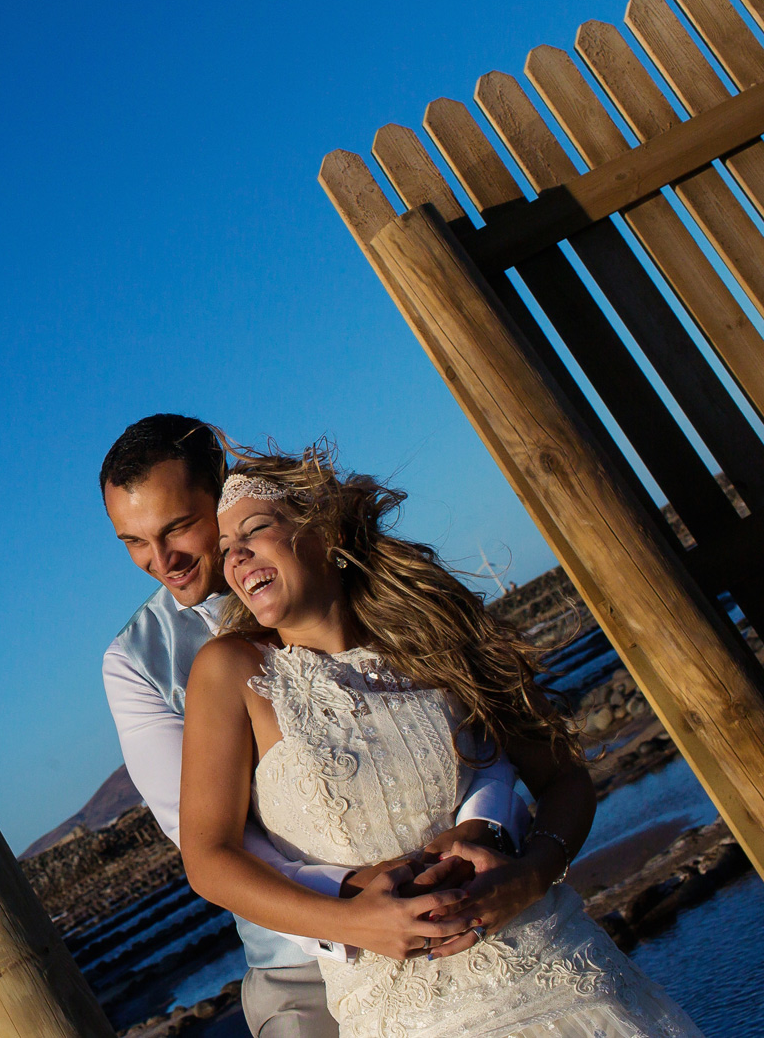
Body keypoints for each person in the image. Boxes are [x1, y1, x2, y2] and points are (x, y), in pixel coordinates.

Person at [178, 444, 702, 1038]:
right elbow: (208, 859)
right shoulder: (231, 672)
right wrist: (351, 923)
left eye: (256, 529)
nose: (237, 555)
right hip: (403, 1012)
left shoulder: (435, 636)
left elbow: (563, 778)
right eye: (225, 551)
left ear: (325, 533)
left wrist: (530, 874)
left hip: (556, 973)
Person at [100, 415, 529, 1038]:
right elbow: (204, 837)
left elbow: (471, 733)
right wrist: (364, 899)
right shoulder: (138, 662)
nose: (160, 560)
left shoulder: (356, 589)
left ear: (222, 490)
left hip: (460, 903)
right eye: (133, 542)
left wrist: (482, 836)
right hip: (299, 965)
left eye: (176, 528)